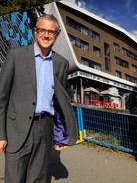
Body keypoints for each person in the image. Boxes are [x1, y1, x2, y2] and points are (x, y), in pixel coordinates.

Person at [0, 14, 78, 183]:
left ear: (56, 35)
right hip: (16, 129)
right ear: (35, 31)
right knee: (14, 179)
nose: (46, 35)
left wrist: (61, 134)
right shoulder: (15, 55)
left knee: (38, 179)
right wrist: (1, 135)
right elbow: (2, 98)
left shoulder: (61, 63)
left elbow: (60, 102)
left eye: (51, 32)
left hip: (45, 128)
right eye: (42, 30)